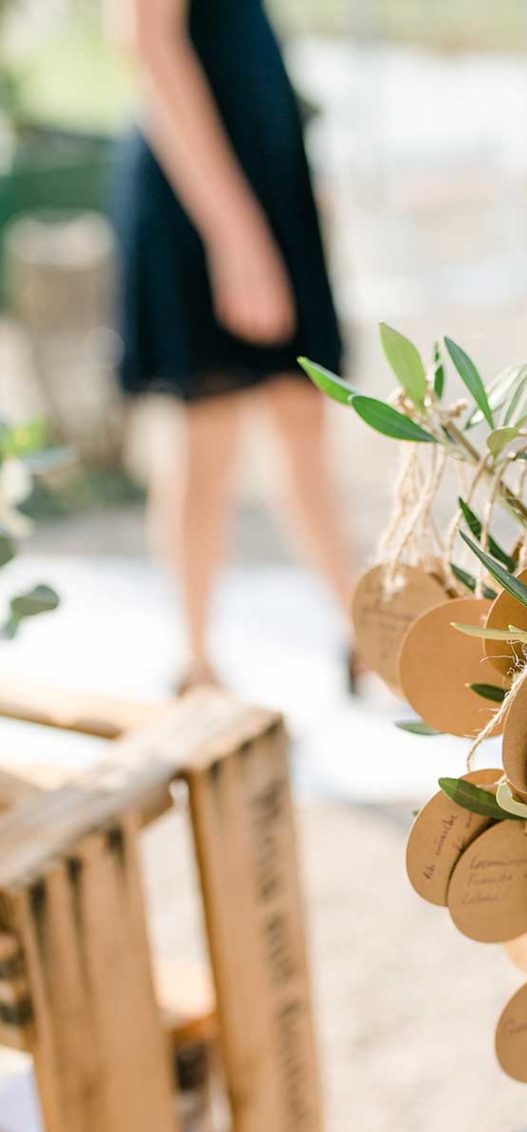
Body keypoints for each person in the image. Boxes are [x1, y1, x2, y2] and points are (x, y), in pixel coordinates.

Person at [112, 0, 361, 691]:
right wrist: (236, 237)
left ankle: (360, 634)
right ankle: (195, 665)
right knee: (206, 440)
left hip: (265, 187)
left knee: (302, 417)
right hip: (206, 195)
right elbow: (144, 44)